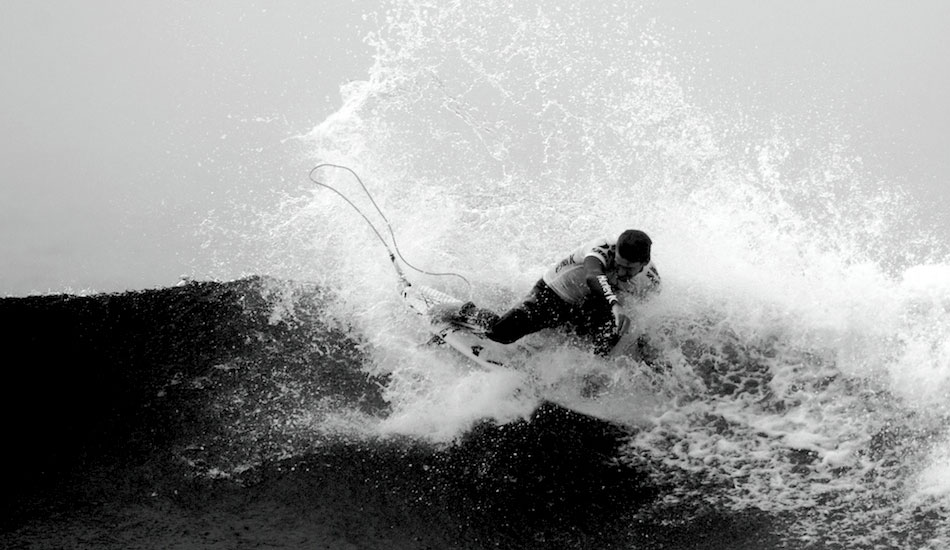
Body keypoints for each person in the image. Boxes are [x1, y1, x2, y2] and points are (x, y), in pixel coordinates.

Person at [437, 229, 660, 357]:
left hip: (591, 305)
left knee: (607, 341)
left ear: (645, 263)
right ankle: (467, 312)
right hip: (553, 295)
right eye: (619, 264)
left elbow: (645, 314)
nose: (621, 272)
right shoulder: (601, 248)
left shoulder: (651, 279)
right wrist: (614, 304)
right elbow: (593, 276)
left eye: (629, 269)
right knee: (501, 334)